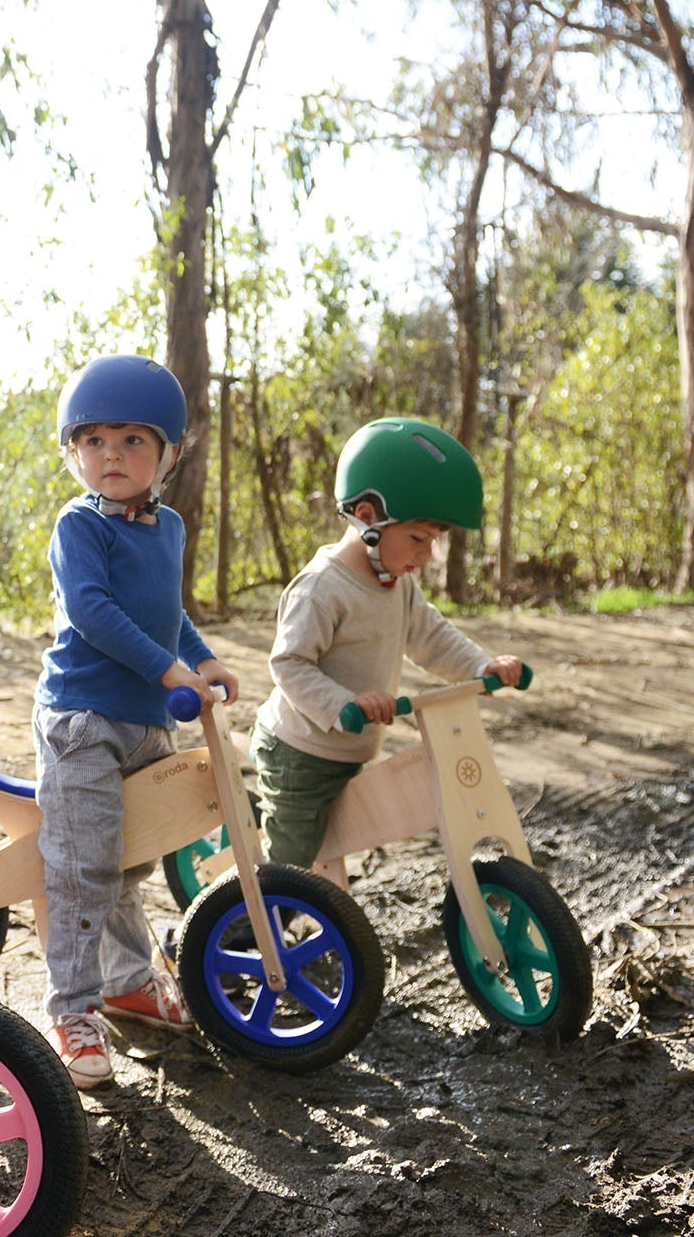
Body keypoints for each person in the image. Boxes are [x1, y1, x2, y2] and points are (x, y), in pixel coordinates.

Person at [33, 354, 240, 1091]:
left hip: (150, 721)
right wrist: (166, 670)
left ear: (168, 454)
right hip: (83, 720)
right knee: (85, 865)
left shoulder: (168, 526)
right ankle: (73, 1008)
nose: (111, 456)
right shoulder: (79, 526)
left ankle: (125, 981)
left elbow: (167, 613)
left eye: (132, 441)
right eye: (94, 441)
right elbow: (92, 612)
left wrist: (202, 660)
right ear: (72, 453)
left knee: (134, 860)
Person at [252, 416, 523, 872]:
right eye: (417, 538)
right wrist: (345, 703)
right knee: (290, 868)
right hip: (299, 756)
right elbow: (289, 664)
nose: (425, 554)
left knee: (332, 851)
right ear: (367, 518)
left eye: (432, 541)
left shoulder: (397, 585)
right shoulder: (322, 588)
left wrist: (482, 667)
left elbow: (431, 636)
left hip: (350, 751)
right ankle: (227, 934)